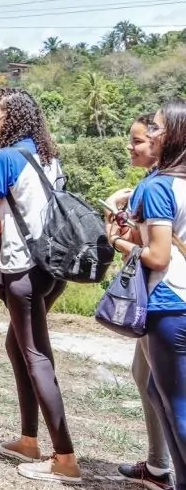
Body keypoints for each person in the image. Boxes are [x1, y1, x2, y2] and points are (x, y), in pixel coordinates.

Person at [0, 88, 80, 483]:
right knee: (17, 345)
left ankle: (65, 458)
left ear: (12, 119)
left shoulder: (6, 158)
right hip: (51, 268)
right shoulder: (48, 156)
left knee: (36, 355)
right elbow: (31, 209)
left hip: (22, 270)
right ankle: (28, 439)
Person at [109, 101, 186, 490]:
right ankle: (160, 470)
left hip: (170, 302)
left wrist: (119, 241)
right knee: (159, 390)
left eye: (154, 129)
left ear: (171, 136)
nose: (149, 135)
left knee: (177, 405)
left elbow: (156, 255)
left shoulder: (158, 186)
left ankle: (163, 471)